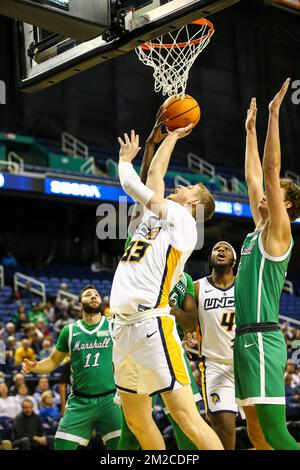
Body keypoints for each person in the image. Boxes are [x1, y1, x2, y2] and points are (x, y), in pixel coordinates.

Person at [110, 123, 222, 450]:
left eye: (188, 188)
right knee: (136, 420)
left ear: (194, 206)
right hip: (122, 328)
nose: (178, 187)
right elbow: (155, 176)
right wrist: (171, 136)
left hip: (150, 325)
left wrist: (124, 159)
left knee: (186, 417)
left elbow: (133, 184)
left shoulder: (184, 223)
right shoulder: (156, 217)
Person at [234, 79, 300, 450]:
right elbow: (254, 175)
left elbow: (270, 173)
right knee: (256, 434)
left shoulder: (278, 232)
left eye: (276, 194)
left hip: (262, 337)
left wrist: (274, 115)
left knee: (277, 432)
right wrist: (249, 131)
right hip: (242, 338)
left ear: (285, 204)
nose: (265, 194)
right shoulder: (254, 232)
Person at [22, 285, 122, 450]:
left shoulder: (113, 325)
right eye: (88, 295)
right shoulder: (69, 331)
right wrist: (35, 366)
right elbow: (53, 361)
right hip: (80, 401)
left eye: (96, 294)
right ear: (80, 305)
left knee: (122, 447)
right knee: (61, 444)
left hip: (110, 400)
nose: (94, 296)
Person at [194, 241, 237, 449]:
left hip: (247, 362)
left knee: (260, 427)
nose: (221, 250)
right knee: (225, 428)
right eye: (216, 249)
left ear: (234, 260)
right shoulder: (197, 287)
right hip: (215, 365)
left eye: (226, 249)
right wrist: (187, 333)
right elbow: (188, 320)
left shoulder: (245, 285)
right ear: (210, 259)